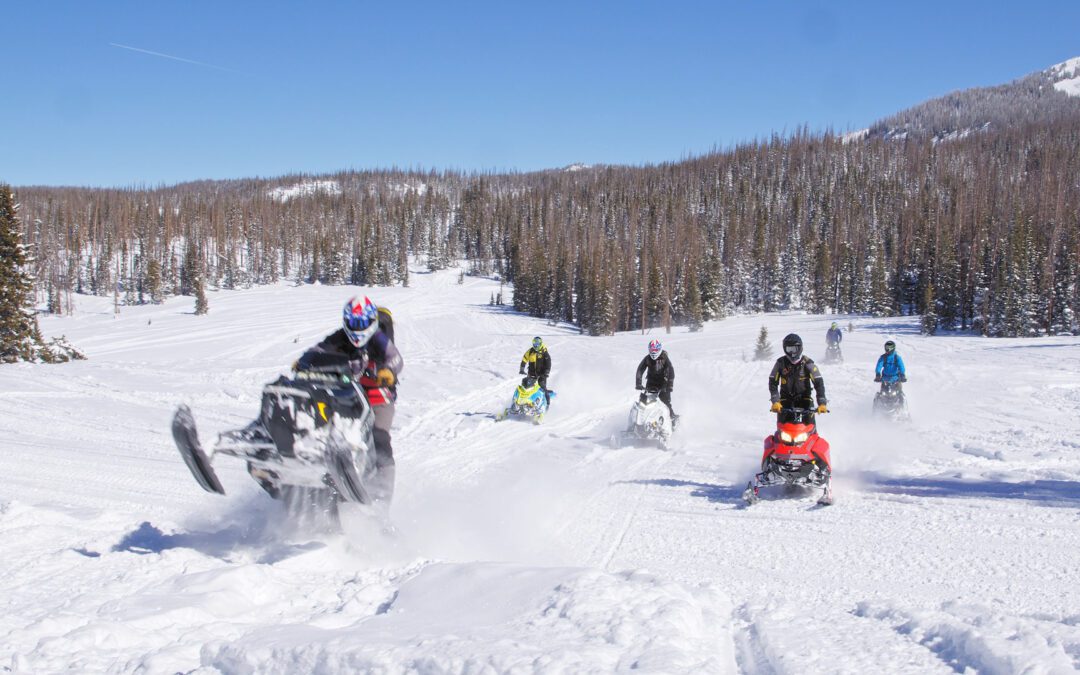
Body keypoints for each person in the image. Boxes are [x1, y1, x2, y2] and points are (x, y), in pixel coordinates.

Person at [295, 296, 403, 505]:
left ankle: (383, 498)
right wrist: (304, 362)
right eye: (353, 323)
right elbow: (319, 350)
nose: (357, 328)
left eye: (362, 323)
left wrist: (387, 371)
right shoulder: (341, 337)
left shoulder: (379, 339)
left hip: (378, 395)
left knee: (379, 438)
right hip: (347, 393)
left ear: (372, 322)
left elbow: (395, 358)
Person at [769, 333, 828, 417]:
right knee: (782, 422)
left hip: (805, 399)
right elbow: (772, 382)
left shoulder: (808, 363)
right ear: (784, 349)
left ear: (800, 348)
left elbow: (818, 383)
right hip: (785, 400)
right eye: (789, 349)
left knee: (810, 422)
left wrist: (822, 403)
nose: (791, 352)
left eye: (794, 349)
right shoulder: (780, 363)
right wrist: (775, 401)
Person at [635, 339, 678, 428]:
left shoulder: (664, 358)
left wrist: (670, 386)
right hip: (651, 383)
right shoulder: (647, 358)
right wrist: (638, 383)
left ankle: (672, 420)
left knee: (665, 402)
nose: (654, 352)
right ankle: (639, 422)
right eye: (652, 350)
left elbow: (671, 372)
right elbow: (640, 369)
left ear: (659, 349)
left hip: (664, 384)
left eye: (655, 350)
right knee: (644, 402)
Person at [519, 336, 551, 403]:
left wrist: (547, 371)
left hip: (542, 374)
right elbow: (525, 358)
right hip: (531, 373)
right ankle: (524, 402)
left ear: (541, 344)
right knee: (527, 387)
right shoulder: (531, 351)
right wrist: (522, 368)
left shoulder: (544, 352)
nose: (536, 346)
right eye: (534, 344)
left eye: (537, 344)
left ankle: (547, 403)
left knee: (542, 388)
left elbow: (548, 362)